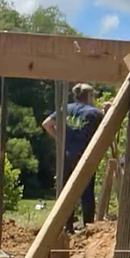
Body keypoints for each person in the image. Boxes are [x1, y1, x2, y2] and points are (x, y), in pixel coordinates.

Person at [42, 83, 104, 232]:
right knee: (86, 192)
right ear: (89, 96)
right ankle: (87, 227)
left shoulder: (65, 109)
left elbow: (47, 124)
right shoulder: (94, 113)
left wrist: (61, 138)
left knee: (66, 192)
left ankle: (67, 227)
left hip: (66, 155)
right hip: (85, 156)